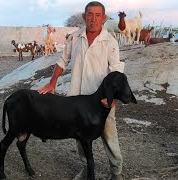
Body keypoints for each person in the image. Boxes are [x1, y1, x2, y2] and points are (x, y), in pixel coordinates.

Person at [38, 1, 124, 180]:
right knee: (79, 135)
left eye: (97, 15)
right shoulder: (75, 37)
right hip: (77, 100)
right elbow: (63, 60)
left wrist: (112, 98)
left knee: (109, 134)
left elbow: (116, 72)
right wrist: (52, 82)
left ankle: (116, 172)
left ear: (104, 18)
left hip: (101, 101)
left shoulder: (110, 41)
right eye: (90, 15)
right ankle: (86, 169)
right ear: (84, 17)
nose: (93, 19)